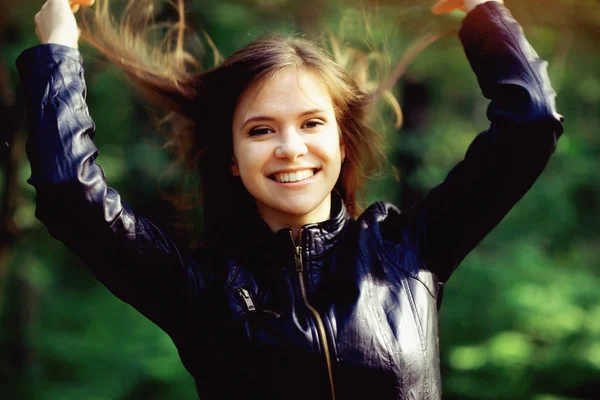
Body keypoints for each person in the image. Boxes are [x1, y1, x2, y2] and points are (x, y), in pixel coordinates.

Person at [16, 0, 563, 398]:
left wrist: (483, 12)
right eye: (260, 131)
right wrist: (58, 50)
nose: (290, 148)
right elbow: (69, 193)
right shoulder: (200, 289)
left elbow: (531, 124)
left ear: (341, 144)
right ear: (232, 159)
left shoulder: (408, 253)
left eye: (311, 123)